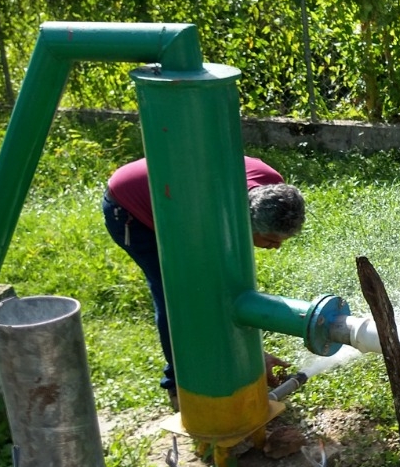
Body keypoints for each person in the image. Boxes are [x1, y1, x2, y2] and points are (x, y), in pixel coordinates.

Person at [103, 156, 306, 410]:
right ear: (244, 222)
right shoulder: (209, 217)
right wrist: (254, 357)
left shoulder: (276, 190)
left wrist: (252, 357)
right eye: (271, 240)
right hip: (131, 207)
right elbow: (214, 290)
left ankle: (223, 369)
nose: (276, 247)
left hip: (172, 191)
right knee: (175, 296)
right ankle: (178, 386)